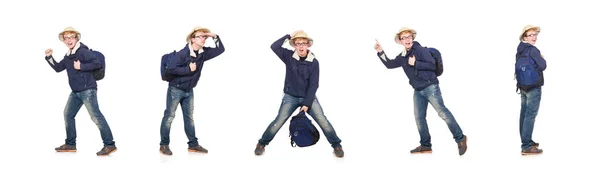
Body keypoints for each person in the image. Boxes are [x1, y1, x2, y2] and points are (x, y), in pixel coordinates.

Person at [374, 27, 467, 156]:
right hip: (418, 90)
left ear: (412, 38)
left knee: (443, 113)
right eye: (404, 37)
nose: (407, 39)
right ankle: (425, 145)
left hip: (431, 87)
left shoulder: (420, 50)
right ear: (400, 41)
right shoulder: (402, 56)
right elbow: (390, 64)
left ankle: (460, 138)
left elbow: (432, 65)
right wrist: (380, 52)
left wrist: (416, 63)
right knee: (419, 118)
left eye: (409, 36)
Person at [254, 30, 344, 158]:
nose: (301, 46)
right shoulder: (288, 56)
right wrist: (288, 36)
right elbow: (274, 46)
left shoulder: (314, 62)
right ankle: (262, 143)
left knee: (322, 120)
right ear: (294, 45)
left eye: (303, 43)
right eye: (297, 43)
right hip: (290, 97)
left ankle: (336, 145)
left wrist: (307, 104)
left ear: (308, 45)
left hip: (308, 97)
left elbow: (314, 85)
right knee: (278, 121)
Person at [44, 27, 117, 156]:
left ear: (76, 38)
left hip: (88, 90)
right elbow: (58, 68)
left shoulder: (82, 51)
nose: (68, 40)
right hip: (75, 92)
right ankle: (70, 144)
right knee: (68, 114)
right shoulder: (68, 56)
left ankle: (110, 145)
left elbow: (97, 63)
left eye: (71, 37)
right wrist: (49, 57)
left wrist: (81, 66)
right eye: (66, 38)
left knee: (96, 117)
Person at [159, 26, 225, 155]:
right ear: (193, 39)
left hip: (189, 90)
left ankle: (193, 145)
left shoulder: (203, 53)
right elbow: (171, 69)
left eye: (204, 37)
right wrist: (188, 70)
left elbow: (221, 49)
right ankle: (164, 145)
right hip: (175, 90)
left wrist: (214, 36)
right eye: (200, 36)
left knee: (189, 118)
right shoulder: (181, 54)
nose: (203, 39)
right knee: (169, 117)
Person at [516, 25, 546, 155]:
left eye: (535, 34)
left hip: (522, 86)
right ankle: (526, 146)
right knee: (530, 115)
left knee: (524, 113)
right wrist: (542, 58)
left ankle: (525, 139)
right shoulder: (533, 50)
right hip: (534, 87)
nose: (534, 37)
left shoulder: (520, 49)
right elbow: (543, 66)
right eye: (531, 35)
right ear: (524, 37)